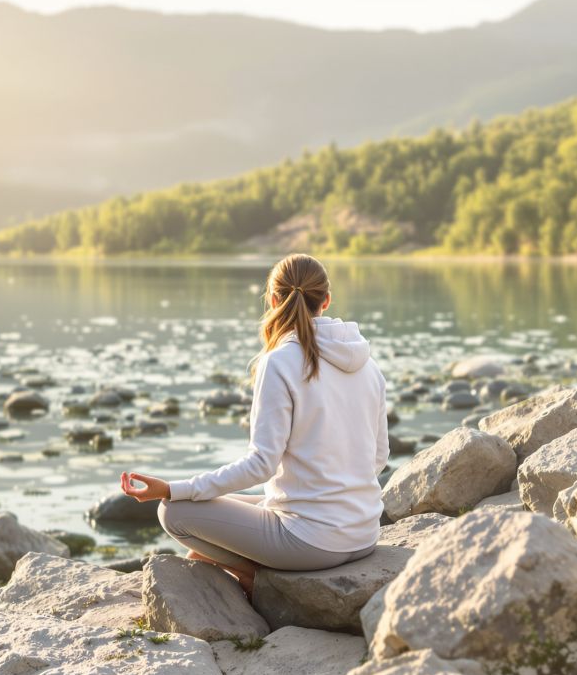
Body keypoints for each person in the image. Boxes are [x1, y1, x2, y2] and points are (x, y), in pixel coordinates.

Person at [121, 253, 389, 600]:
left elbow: (261, 465)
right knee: (236, 502)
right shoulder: (369, 365)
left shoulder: (279, 361)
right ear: (326, 300)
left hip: (312, 544)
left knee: (174, 511)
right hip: (364, 534)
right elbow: (379, 457)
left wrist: (172, 488)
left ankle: (253, 575)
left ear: (274, 300)